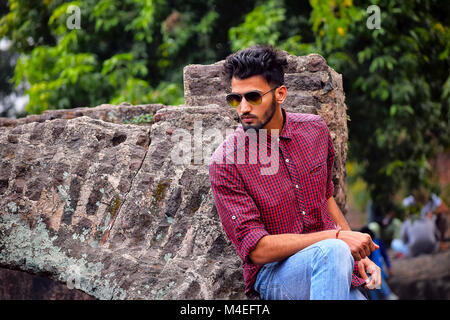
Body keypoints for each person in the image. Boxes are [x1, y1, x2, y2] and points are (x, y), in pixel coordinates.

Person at [208, 45, 381, 300]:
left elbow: (326, 197)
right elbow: (256, 249)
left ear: (280, 94)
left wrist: (360, 257)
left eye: (253, 97)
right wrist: (337, 239)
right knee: (333, 251)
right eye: (236, 99)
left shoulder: (315, 130)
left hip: (332, 262)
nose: (243, 108)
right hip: (276, 275)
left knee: (337, 259)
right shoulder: (227, 162)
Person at [361, 223, 398, 300]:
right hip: (375, 272)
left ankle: (389, 295)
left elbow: (384, 256)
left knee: (374, 289)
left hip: (374, 272)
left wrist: (389, 268)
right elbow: (385, 256)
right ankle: (389, 295)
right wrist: (389, 268)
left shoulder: (374, 242)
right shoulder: (374, 242)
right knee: (376, 290)